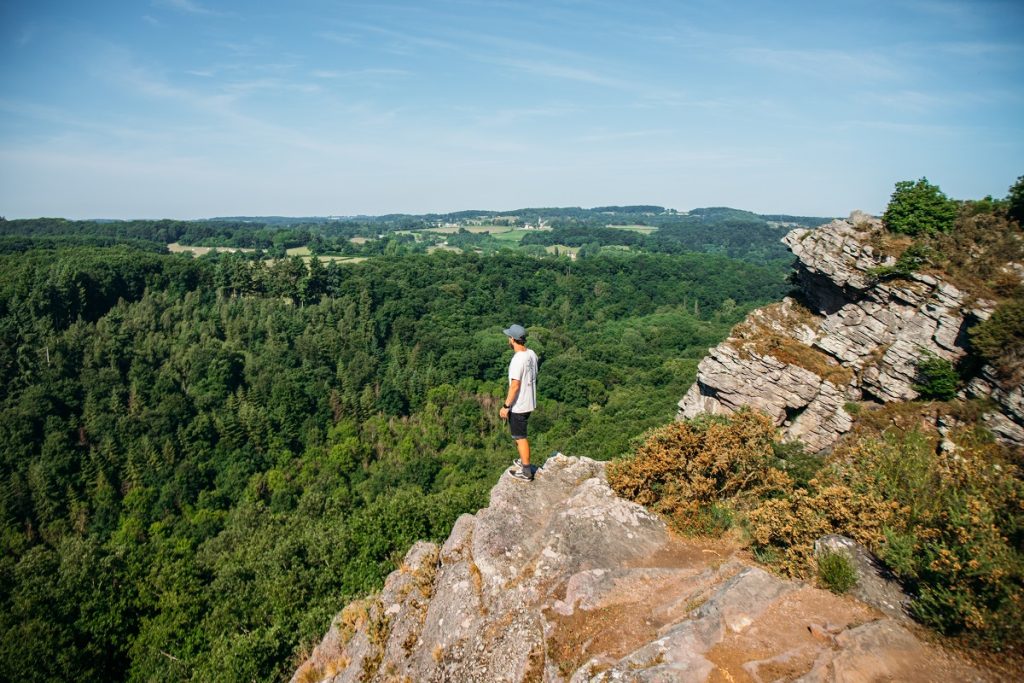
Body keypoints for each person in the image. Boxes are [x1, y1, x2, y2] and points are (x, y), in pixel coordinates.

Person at [499, 324, 538, 481]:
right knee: (519, 436)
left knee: (520, 437)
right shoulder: (531, 354)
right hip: (529, 400)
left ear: (512, 339)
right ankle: (523, 461)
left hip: (519, 405)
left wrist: (506, 406)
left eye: (509, 337)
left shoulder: (517, 360)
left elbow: (515, 385)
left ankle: (526, 471)